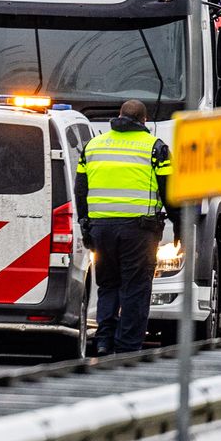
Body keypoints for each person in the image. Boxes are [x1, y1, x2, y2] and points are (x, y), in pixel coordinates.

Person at [76, 99, 177, 355]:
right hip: (138, 231)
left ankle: (103, 340)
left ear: (119, 116)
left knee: (107, 285)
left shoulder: (93, 145)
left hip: (101, 229)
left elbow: (81, 189)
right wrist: (180, 225)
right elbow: (170, 191)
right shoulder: (155, 148)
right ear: (144, 121)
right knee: (135, 288)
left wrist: (85, 224)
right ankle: (127, 347)